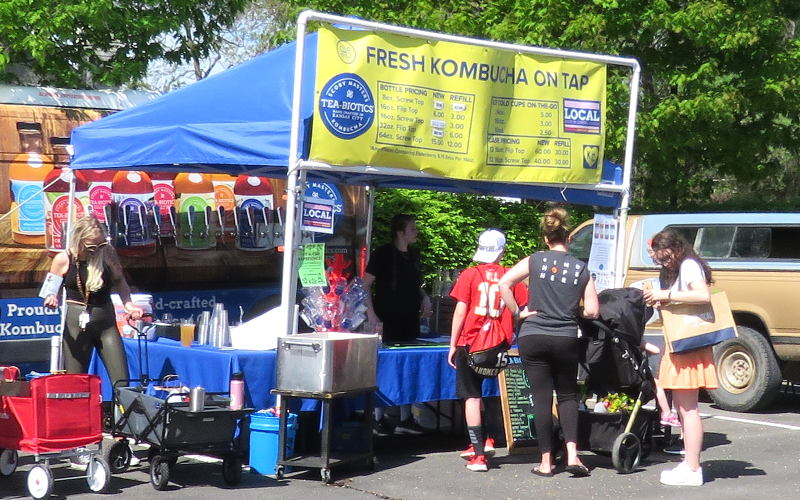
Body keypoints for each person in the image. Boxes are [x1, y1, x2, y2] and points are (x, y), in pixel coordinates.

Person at [498, 207, 599, 477]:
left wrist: (518, 312)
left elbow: (504, 283)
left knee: (541, 398)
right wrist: (573, 310)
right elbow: (593, 311)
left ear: (546, 238)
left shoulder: (534, 260)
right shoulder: (581, 268)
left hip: (533, 334)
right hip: (565, 336)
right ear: (569, 239)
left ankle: (545, 462)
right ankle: (573, 456)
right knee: (567, 395)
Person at [448, 229, 527, 472]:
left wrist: (452, 344)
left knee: (471, 396)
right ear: (502, 251)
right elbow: (521, 307)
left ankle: (479, 455)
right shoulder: (510, 276)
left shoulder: (470, 275)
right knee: (486, 393)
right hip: (499, 345)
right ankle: (488, 439)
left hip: (470, 343)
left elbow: (461, 311)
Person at [643, 228, 716, 486]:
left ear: (675, 248)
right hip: (685, 344)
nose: (664, 263)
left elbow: (702, 295)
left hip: (688, 345)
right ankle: (689, 464)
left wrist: (667, 295)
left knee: (688, 409)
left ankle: (693, 468)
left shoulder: (688, 265)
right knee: (685, 409)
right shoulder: (685, 265)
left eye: (665, 257)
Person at [43, 216, 144, 386]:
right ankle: (79, 411)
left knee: (122, 380)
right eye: (91, 247)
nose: (97, 250)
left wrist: (128, 304)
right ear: (79, 241)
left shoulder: (108, 253)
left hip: (105, 321)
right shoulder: (63, 259)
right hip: (76, 322)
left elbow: (120, 281)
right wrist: (52, 297)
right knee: (75, 381)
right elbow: (51, 289)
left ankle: (122, 411)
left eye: (101, 245)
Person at [363, 213, 432, 435]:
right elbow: (365, 286)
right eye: (412, 228)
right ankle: (378, 418)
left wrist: (424, 296)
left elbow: (413, 283)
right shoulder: (382, 254)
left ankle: (406, 417)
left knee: (408, 365)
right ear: (400, 232)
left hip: (409, 318)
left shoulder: (413, 255)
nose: (416, 232)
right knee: (384, 366)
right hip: (386, 317)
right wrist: (372, 315)